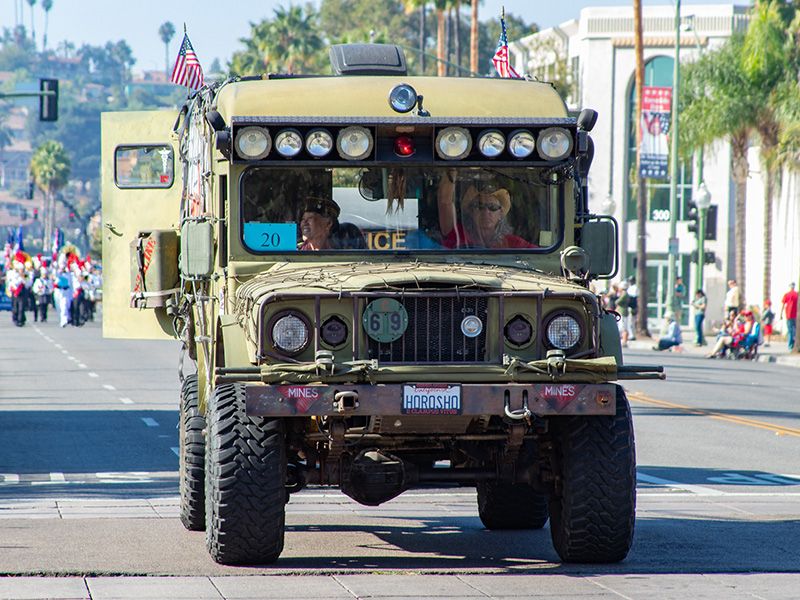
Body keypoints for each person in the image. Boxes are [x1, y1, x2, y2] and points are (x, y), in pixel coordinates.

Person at [438, 170, 533, 249]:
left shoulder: (512, 243)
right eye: (479, 207)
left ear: (501, 214)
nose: (486, 212)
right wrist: (452, 167)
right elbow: (445, 202)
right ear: (471, 211)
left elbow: (539, 257)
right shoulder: (458, 234)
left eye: (492, 207)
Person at [780, 282, 797, 350]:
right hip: (795, 316)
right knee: (794, 330)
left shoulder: (787, 295)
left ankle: (790, 345)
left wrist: (780, 314)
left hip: (789, 315)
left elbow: (783, 305)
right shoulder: (797, 295)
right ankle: (793, 343)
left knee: (790, 331)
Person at [616, 281, 631, 347]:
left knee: (623, 327)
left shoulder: (624, 294)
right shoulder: (625, 293)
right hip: (623, 311)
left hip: (623, 312)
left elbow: (618, 301)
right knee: (623, 327)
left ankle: (624, 341)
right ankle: (624, 341)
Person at [626, 276, 638, 340]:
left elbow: (633, 298)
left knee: (631, 322)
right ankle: (631, 334)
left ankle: (632, 335)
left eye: (631, 281)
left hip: (632, 307)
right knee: (629, 322)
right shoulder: (630, 287)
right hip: (629, 307)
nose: (630, 282)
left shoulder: (635, 288)